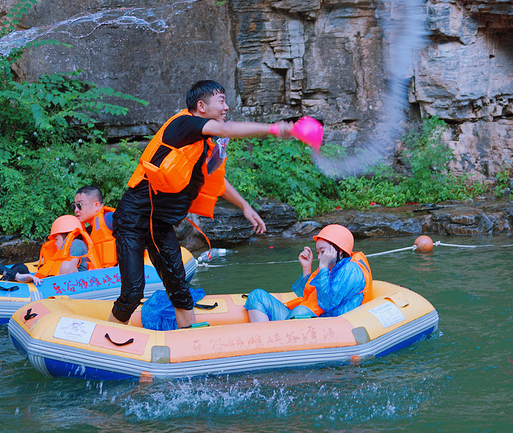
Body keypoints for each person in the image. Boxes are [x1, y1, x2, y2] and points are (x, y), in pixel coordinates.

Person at [109, 80, 293, 328]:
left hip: (160, 225)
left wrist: (245, 206)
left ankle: (188, 341)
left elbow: (217, 180)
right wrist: (272, 128)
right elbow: (227, 130)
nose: (226, 107)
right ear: (201, 106)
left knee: (180, 290)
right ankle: (108, 339)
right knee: (132, 292)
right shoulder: (184, 124)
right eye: (221, 101)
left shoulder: (204, 143)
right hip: (134, 219)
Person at [244, 224, 373, 322]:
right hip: (306, 319)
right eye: (318, 252)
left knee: (300, 311)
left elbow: (327, 303)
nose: (320, 256)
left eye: (323, 251)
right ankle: (264, 340)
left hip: (328, 324)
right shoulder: (328, 268)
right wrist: (307, 268)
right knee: (257, 295)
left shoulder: (351, 270)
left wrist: (322, 267)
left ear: (339, 251)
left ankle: (275, 342)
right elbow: (306, 295)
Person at [36, 215, 100, 277]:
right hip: (74, 278)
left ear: (66, 236)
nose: (55, 243)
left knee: (66, 265)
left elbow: (70, 266)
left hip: (83, 279)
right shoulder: (67, 247)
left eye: (57, 239)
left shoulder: (76, 244)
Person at [73, 185, 116, 267]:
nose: (76, 210)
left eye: (79, 205)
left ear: (96, 205)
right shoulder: (87, 232)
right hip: (103, 276)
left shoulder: (109, 218)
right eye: (74, 206)